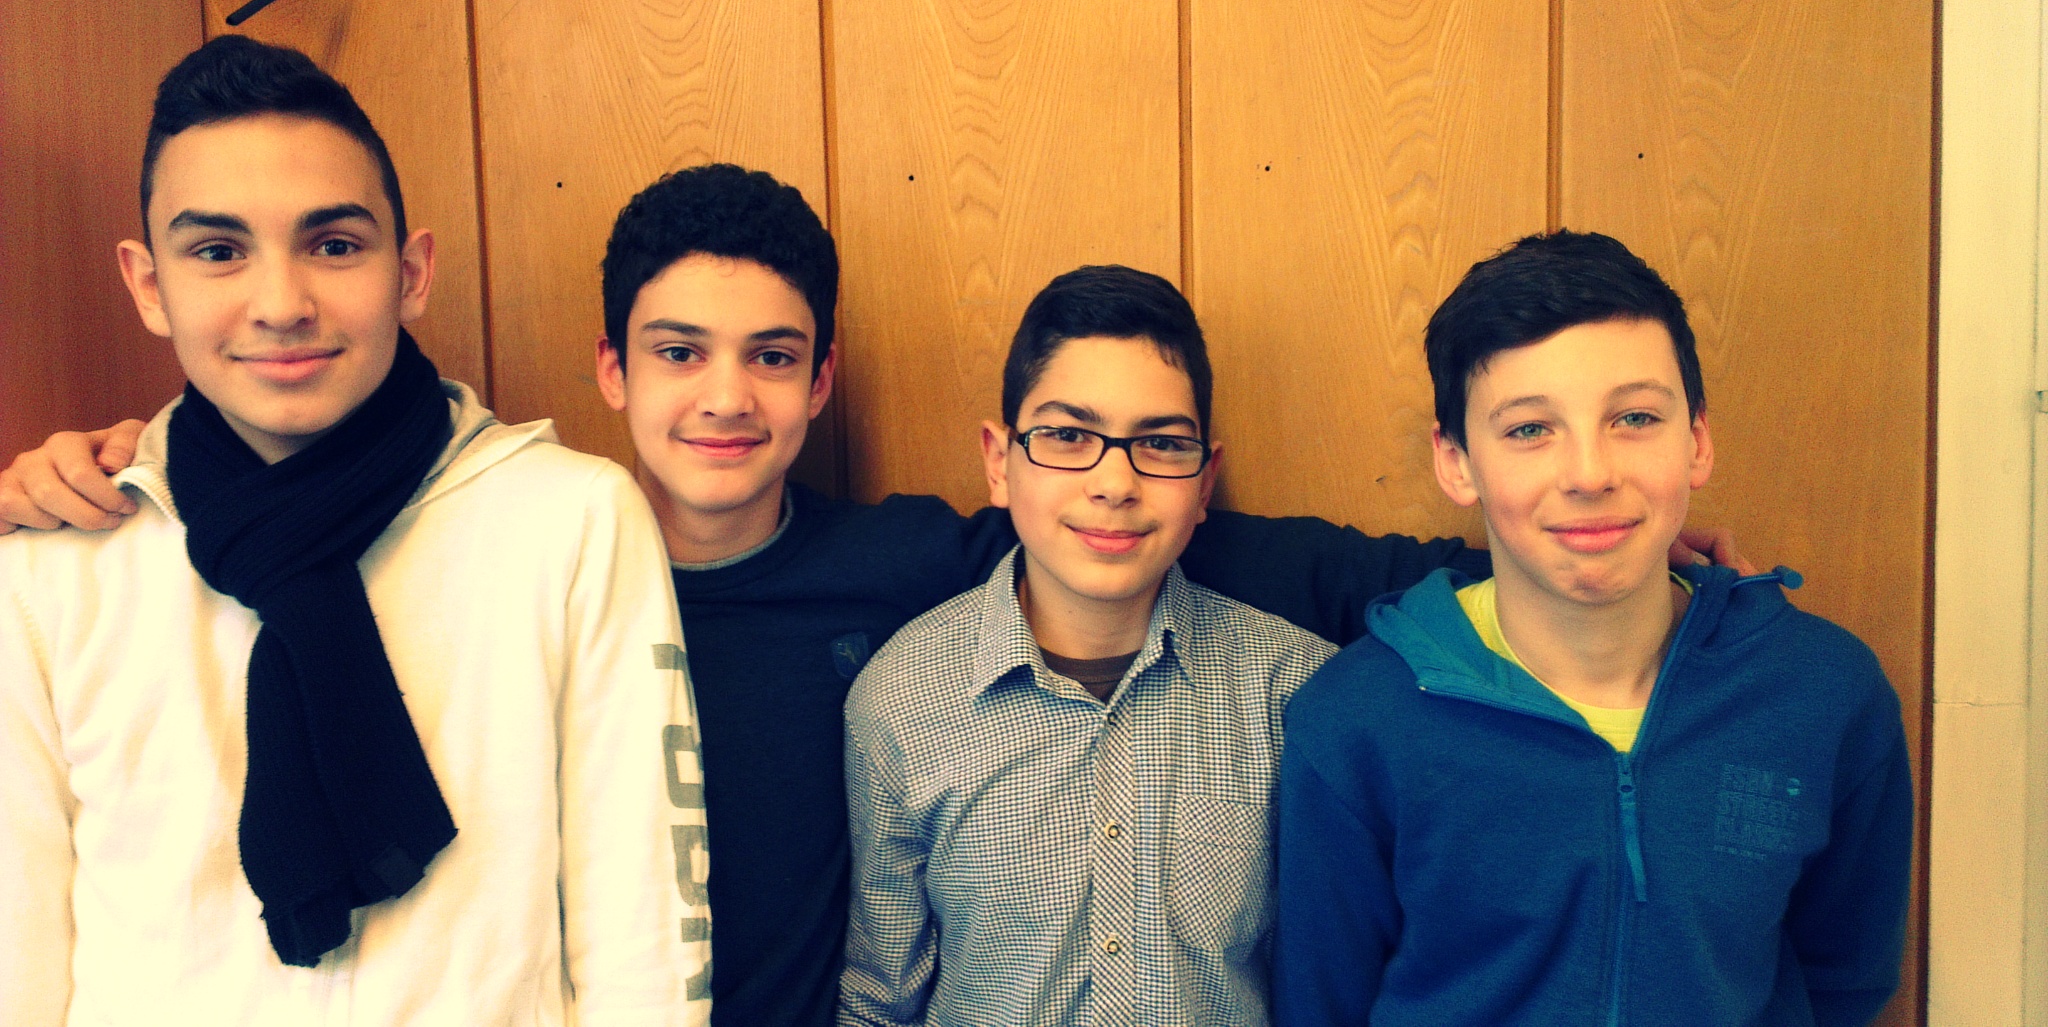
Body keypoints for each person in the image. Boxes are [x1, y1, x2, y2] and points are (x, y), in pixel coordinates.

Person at [0, 165, 1749, 1027]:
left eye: (772, 355)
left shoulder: (910, 569)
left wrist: (1554, 547)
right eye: (678, 352)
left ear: (822, 379)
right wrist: (93, 469)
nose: (725, 397)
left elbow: (1192, 543)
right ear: (609, 370)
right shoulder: (516, 557)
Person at [0, 36, 711, 1024]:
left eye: (334, 245)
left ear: (411, 271)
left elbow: (645, 946)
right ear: (149, 285)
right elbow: (18, 947)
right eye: (218, 251)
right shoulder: (55, 562)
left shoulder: (570, 521)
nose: (282, 304)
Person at [1272, 231, 1912, 1027]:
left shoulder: (1823, 692)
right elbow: (1321, 1003)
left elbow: (1845, 978)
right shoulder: (1357, 719)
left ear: (1697, 440)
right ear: (1457, 460)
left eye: (1635, 417)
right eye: (1529, 429)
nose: (1589, 473)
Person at [840, 265, 1336, 1027]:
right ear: (999, 461)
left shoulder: (1295, 690)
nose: (1114, 482)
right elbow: (880, 998)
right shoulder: (901, 698)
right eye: (1068, 435)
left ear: (1206, 482)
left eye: (1161, 443)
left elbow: (1335, 979)